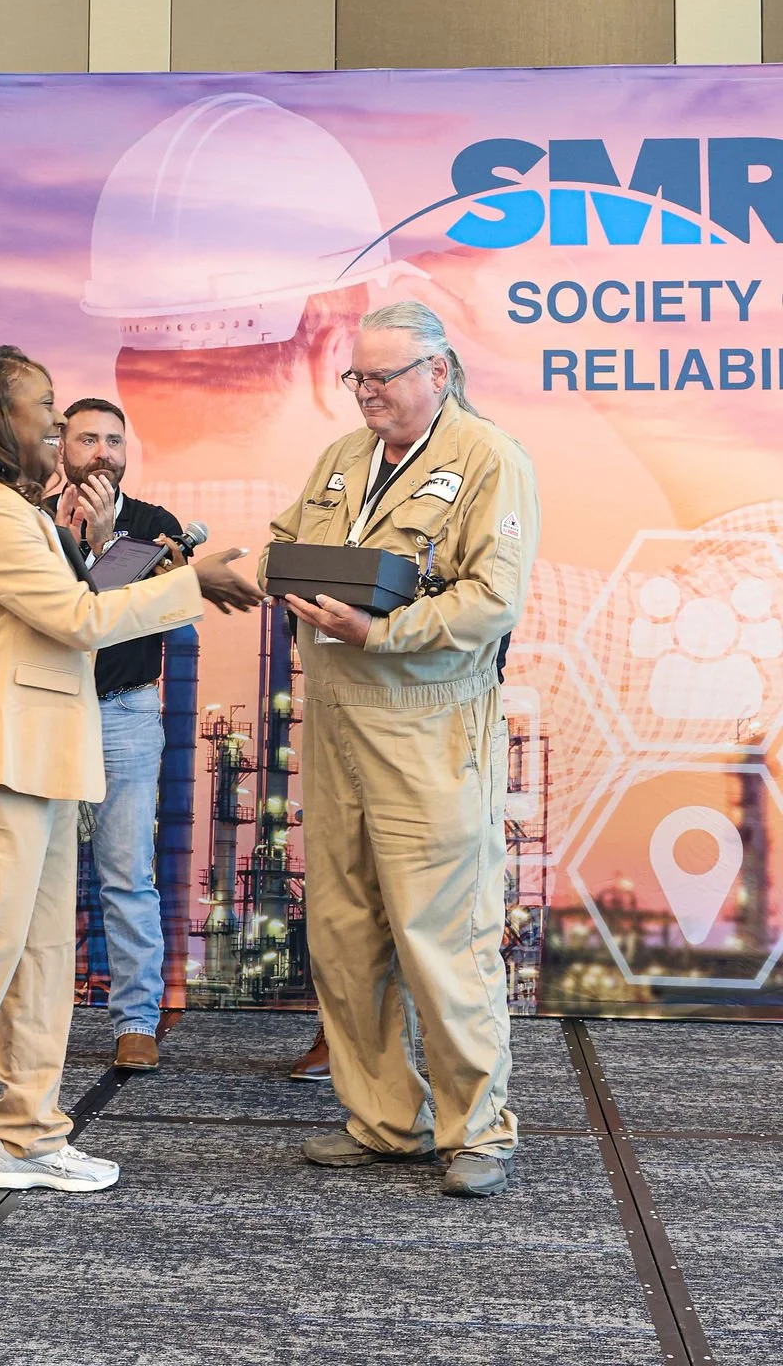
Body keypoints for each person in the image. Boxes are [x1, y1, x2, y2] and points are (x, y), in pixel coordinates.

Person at [0, 344, 261, 1213]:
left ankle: (26, 1136)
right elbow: (75, 621)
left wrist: (112, 557)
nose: (56, 424)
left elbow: (68, 612)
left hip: (34, 758)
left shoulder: (18, 511)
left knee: (41, 956)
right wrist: (188, 583)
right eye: (44, 407)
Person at [259, 300, 540, 1197]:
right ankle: (385, 1120)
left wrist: (380, 631)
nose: (366, 394)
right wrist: (271, 571)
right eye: (357, 378)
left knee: (442, 933)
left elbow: (491, 602)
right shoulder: (342, 458)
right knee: (342, 930)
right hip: (337, 718)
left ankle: (478, 1131)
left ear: (439, 373)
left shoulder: (490, 459)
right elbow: (285, 538)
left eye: (383, 378)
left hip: (428, 723)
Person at [48, 396, 184, 1072]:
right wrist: (73, 537)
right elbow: (49, 614)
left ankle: (137, 1022)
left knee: (126, 876)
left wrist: (102, 544)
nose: (101, 451)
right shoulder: (30, 519)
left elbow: (130, 611)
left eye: (113, 440)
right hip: (45, 711)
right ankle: (31, 1026)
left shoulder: (155, 526)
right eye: (87, 439)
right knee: (39, 881)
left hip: (125, 712)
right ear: (60, 447)